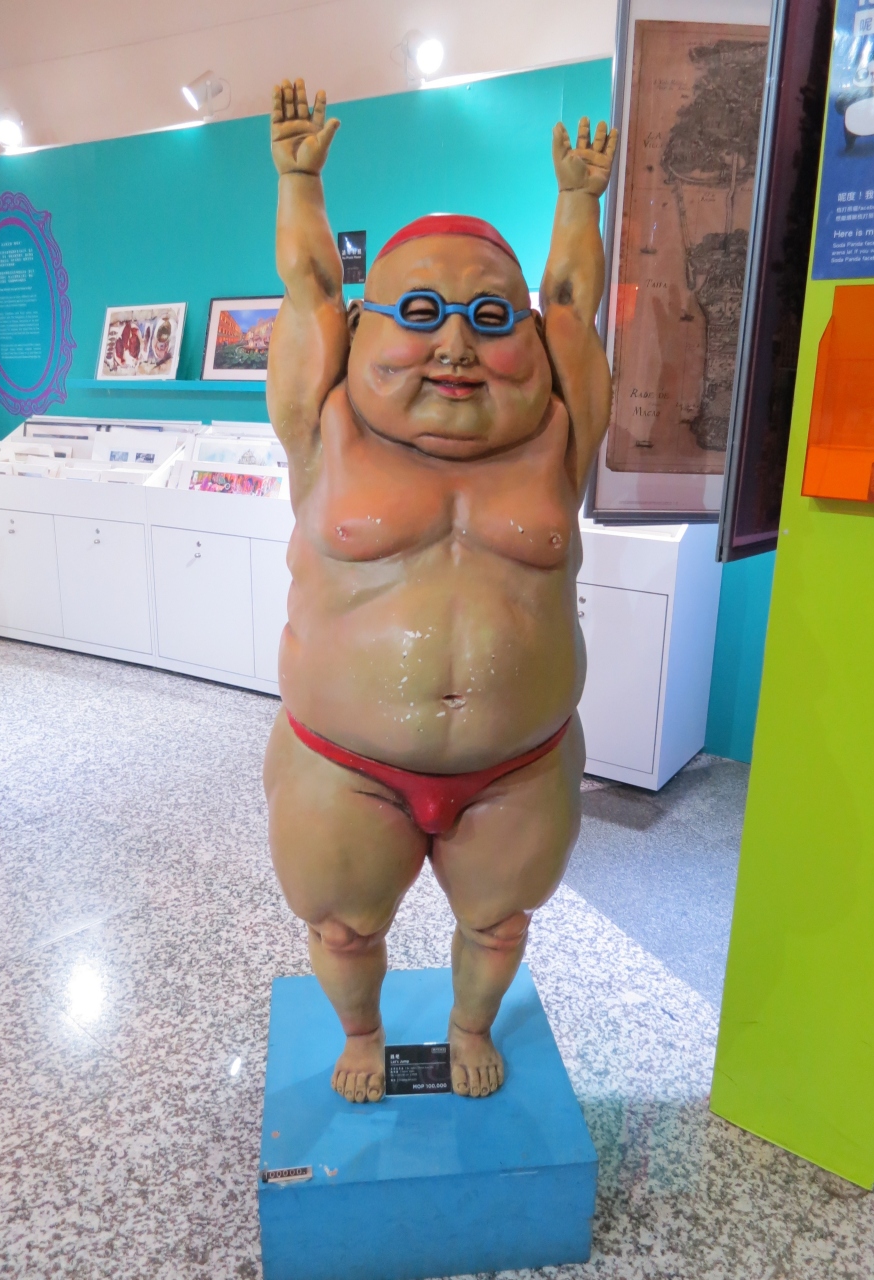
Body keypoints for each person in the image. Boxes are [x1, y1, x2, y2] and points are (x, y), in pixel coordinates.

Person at [263, 77, 617, 1103]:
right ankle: (363, 1031)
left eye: (488, 318)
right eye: (421, 314)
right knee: (342, 925)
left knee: (499, 923)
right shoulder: (324, 427)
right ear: (364, 328)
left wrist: (578, 201)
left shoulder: (559, 436)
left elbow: (574, 304)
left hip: (517, 766)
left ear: (529, 339)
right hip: (345, 762)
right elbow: (307, 289)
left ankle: (469, 1025)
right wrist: (299, 184)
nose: (456, 345)